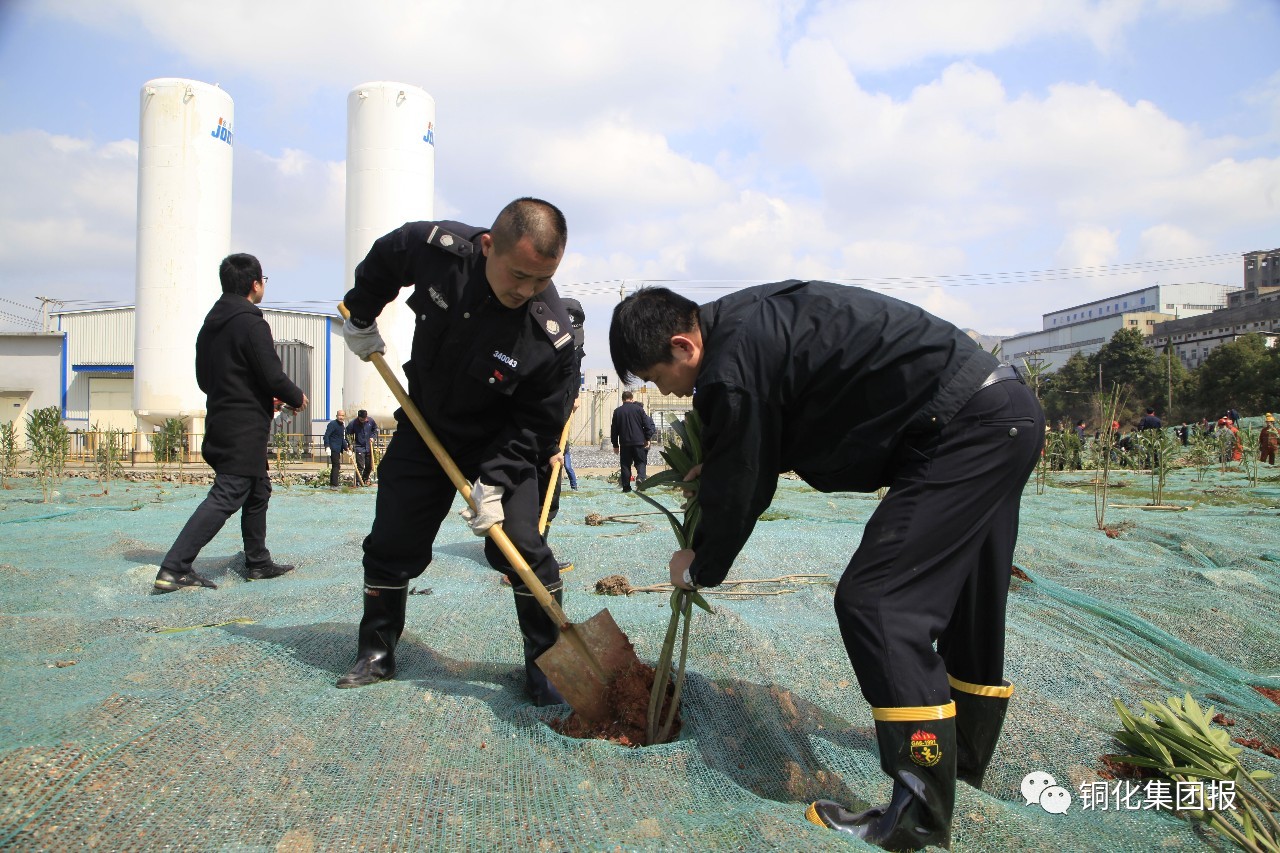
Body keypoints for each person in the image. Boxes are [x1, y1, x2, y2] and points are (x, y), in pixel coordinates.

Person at [609, 283, 1043, 851]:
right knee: (971, 601)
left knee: (879, 603)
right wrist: (720, 463)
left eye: (657, 375)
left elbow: (745, 486)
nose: (663, 390)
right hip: (1002, 413)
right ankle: (959, 766)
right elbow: (780, 421)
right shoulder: (749, 322)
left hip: (963, 432)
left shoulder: (731, 362)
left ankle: (916, 817)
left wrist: (699, 565)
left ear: (683, 345)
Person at [336, 197, 579, 707]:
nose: (526, 291)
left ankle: (546, 663)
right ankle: (375, 649)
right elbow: (387, 256)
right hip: (427, 429)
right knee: (392, 539)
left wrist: (495, 478)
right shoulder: (437, 249)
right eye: (517, 275)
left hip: (500, 445)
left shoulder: (550, 334)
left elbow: (539, 422)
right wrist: (362, 313)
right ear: (487, 246)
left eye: (541, 281)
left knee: (520, 546)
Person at [154, 253, 306, 592]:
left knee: (258, 489)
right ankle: (174, 568)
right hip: (244, 427)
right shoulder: (251, 323)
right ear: (255, 284)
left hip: (223, 416)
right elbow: (271, 373)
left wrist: (248, 396)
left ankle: (258, 562)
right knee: (229, 493)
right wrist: (295, 396)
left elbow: (206, 379)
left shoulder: (211, 325)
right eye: (263, 281)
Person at [610, 390, 656, 491]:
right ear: (632, 398)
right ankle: (640, 478)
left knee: (625, 465)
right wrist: (647, 438)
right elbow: (647, 425)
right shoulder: (639, 409)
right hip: (639, 442)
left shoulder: (617, 411)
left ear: (622, 399)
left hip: (625, 443)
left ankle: (626, 487)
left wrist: (615, 445)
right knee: (640, 462)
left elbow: (614, 429)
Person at [346, 409, 379, 485]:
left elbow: (375, 429)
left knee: (369, 466)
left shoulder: (370, 421)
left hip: (369, 446)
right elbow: (348, 434)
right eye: (361, 419)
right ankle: (358, 481)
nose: (363, 420)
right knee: (360, 466)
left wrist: (373, 437)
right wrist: (350, 443)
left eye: (364, 419)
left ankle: (365, 479)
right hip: (359, 447)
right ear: (358, 417)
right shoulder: (353, 423)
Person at [323, 409, 350, 488]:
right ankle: (334, 484)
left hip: (338, 448)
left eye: (342, 415)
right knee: (336, 465)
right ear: (336, 416)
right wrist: (327, 446)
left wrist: (346, 448)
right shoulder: (332, 424)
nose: (341, 417)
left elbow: (342, 439)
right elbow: (326, 436)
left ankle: (333, 484)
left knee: (336, 465)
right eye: (339, 415)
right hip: (333, 448)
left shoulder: (342, 426)